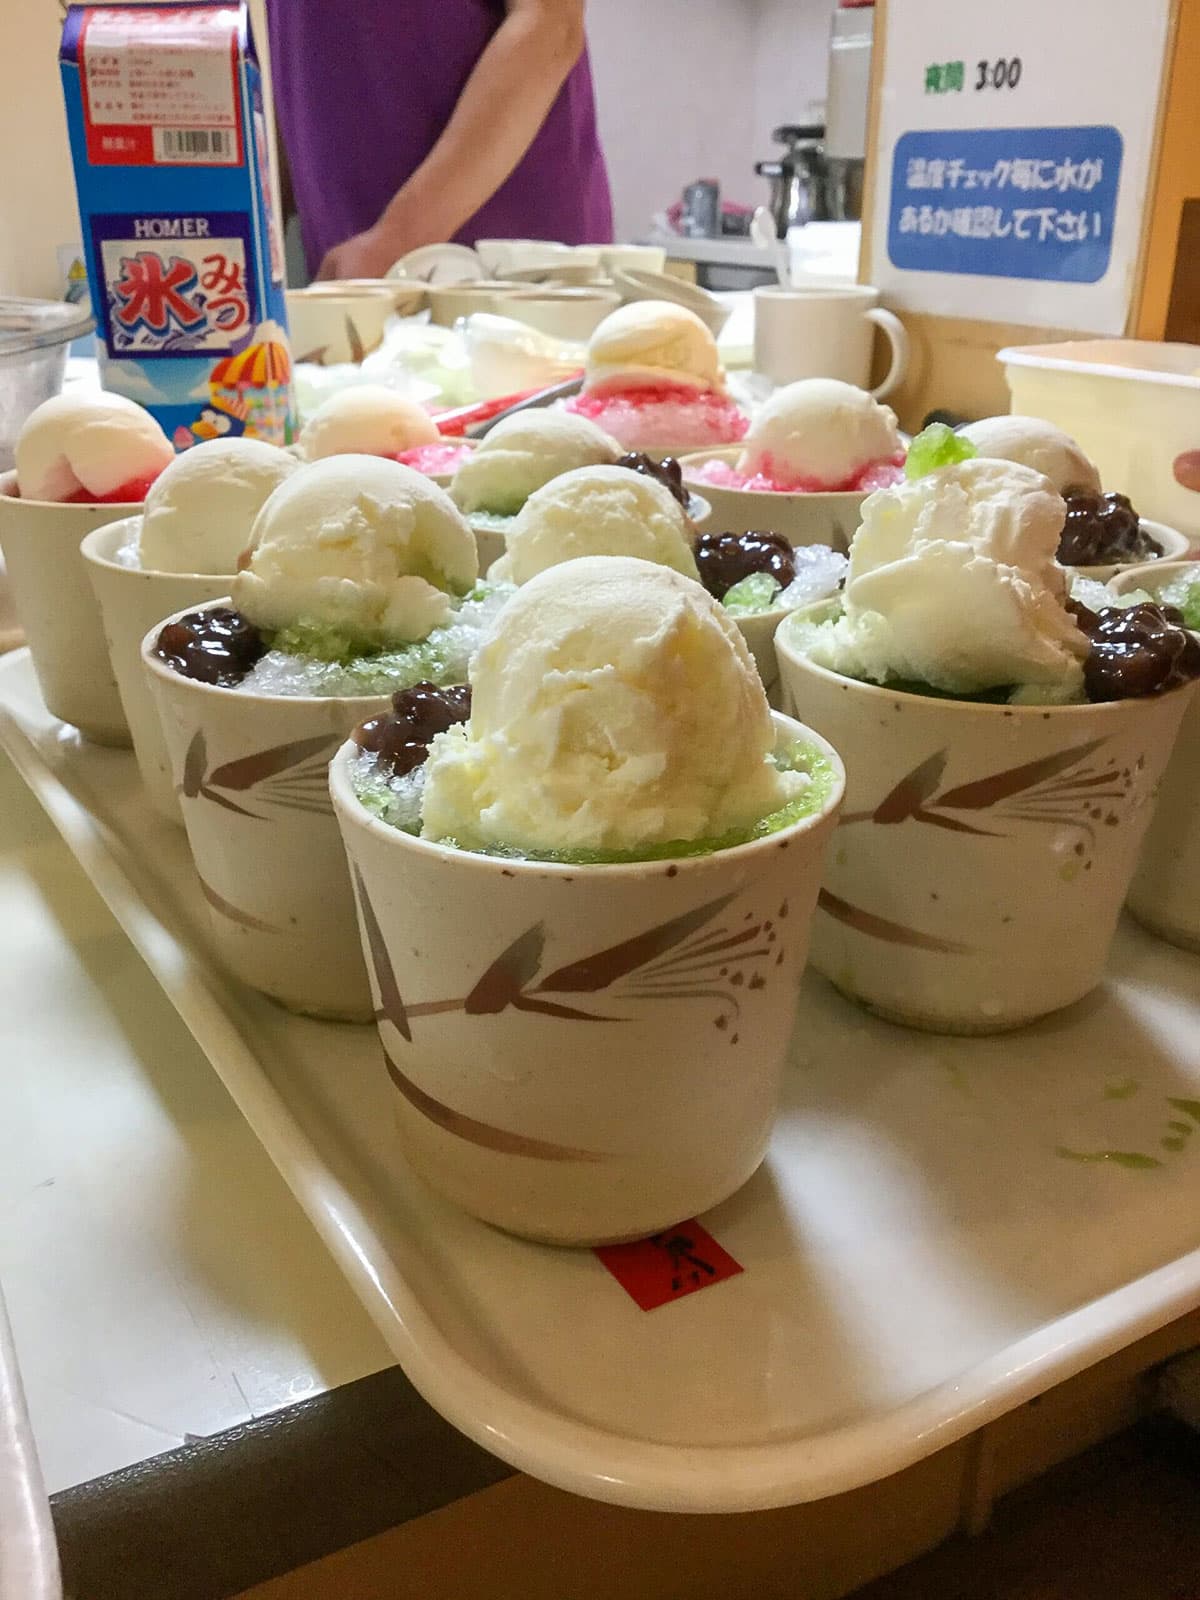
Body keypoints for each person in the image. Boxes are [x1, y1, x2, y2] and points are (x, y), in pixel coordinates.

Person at [266, 0, 614, 281]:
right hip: (355, 272)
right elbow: (295, 57)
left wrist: (399, 239)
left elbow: (550, 26)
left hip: (508, 279)